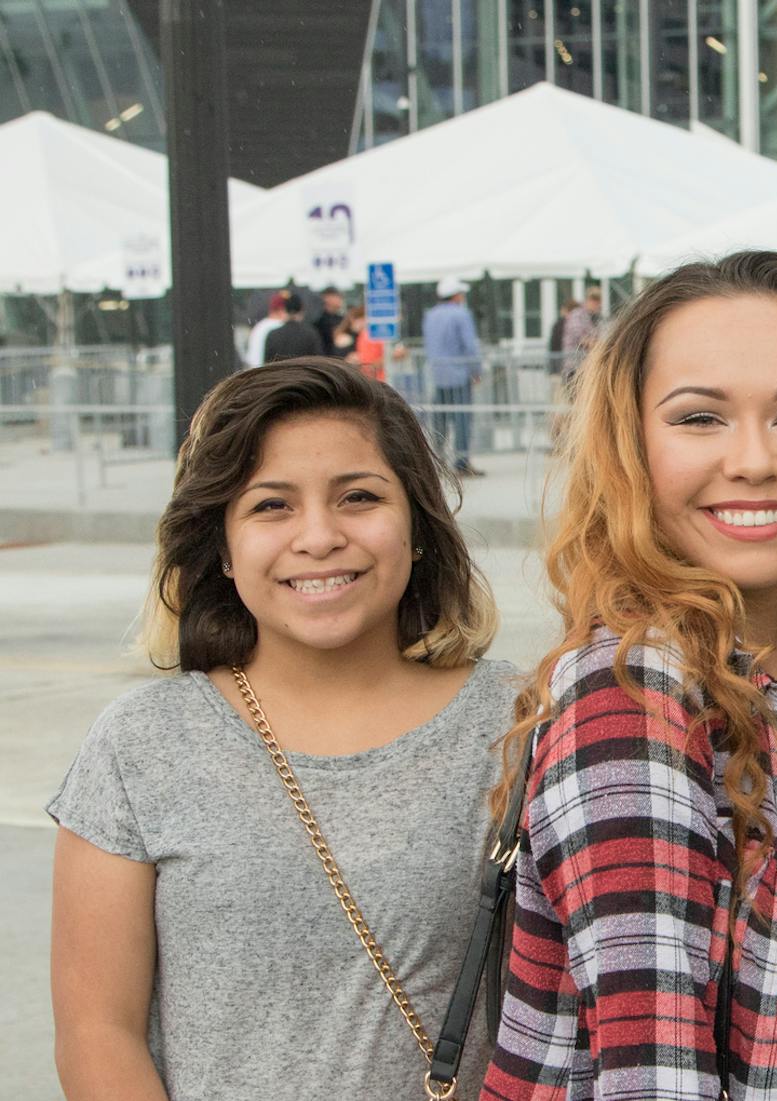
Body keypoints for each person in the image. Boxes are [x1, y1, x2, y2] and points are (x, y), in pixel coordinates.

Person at [482, 254, 777, 1101]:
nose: (754, 459)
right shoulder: (633, 699)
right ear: (631, 445)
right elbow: (653, 1083)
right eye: (700, 418)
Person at [48, 358, 513, 1099]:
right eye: (271, 506)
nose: (320, 536)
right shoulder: (139, 745)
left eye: (358, 496)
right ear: (223, 549)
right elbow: (97, 1032)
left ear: (419, 527)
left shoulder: (524, 724)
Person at [422, 277, 485, 478]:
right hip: (459, 374)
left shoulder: (430, 315)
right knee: (462, 419)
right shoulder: (461, 314)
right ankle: (461, 462)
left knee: (439, 419)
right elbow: (469, 345)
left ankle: (437, 459)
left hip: (437, 375)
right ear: (457, 295)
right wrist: (476, 370)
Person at [262, 290, 328, 365]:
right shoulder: (311, 334)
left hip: (280, 375)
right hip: (304, 375)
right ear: (302, 309)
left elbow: (267, 364)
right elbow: (319, 361)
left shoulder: (273, 335)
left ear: (285, 309)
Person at [313, 286, 348, 351]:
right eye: (337, 297)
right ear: (326, 298)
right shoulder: (321, 322)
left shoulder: (341, 318)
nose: (340, 300)